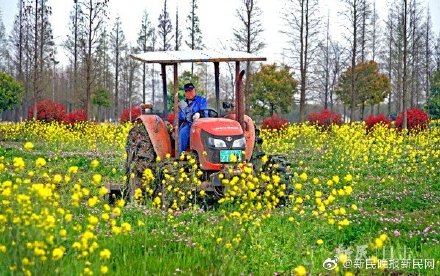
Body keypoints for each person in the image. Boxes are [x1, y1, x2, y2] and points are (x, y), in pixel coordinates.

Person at [178, 82, 207, 154]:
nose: (189, 93)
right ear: (185, 93)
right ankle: (181, 153)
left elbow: (205, 111)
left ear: (194, 90)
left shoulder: (201, 100)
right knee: (183, 132)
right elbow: (180, 116)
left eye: (191, 91)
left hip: (201, 123)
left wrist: (199, 114)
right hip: (189, 124)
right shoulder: (182, 103)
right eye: (187, 91)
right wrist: (186, 116)